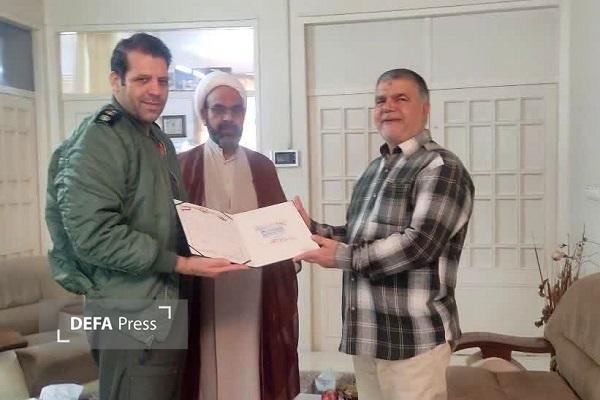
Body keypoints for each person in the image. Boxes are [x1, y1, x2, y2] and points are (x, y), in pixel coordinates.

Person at [45, 33, 246, 400]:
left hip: (163, 303)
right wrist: (180, 263)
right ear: (115, 80)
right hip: (126, 312)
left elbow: (169, 217)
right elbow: (94, 236)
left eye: (163, 80)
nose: (156, 90)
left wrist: (231, 240)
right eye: (142, 79)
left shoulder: (156, 139)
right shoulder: (100, 139)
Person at [294, 68, 474, 400]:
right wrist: (311, 230)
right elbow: (358, 235)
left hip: (414, 339)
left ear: (425, 109)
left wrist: (341, 256)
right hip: (368, 335)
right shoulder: (375, 170)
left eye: (400, 98)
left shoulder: (441, 167)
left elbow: (419, 245)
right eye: (380, 100)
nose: (388, 106)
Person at [178, 71, 300, 400]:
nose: (228, 118)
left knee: (252, 372)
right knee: (203, 375)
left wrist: (294, 243)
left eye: (236, 110)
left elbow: (280, 232)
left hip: (254, 293)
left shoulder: (262, 167)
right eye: (219, 109)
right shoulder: (182, 166)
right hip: (202, 292)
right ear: (204, 114)